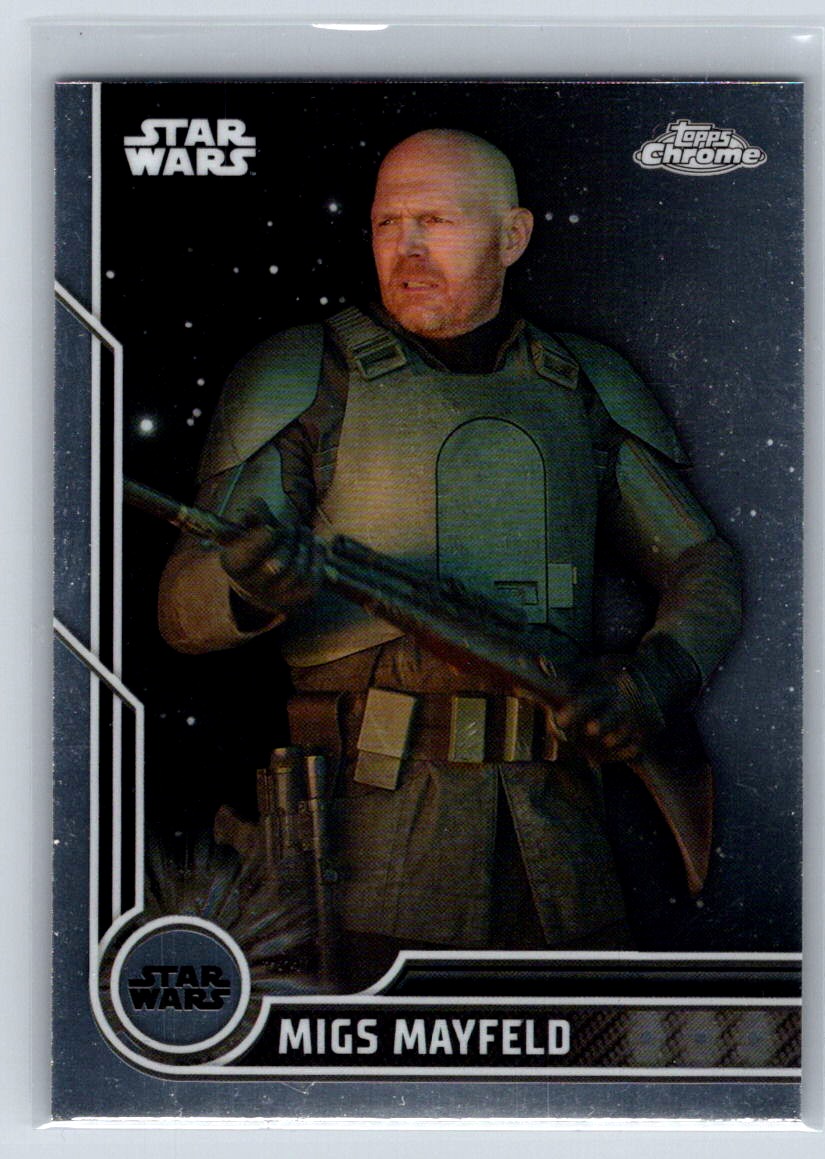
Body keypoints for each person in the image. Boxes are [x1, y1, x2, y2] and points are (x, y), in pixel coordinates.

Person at [158, 129, 742, 982]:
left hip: (559, 848)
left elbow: (702, 565)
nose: (408, 248)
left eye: (437, 220)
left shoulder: (581, 382)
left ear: (513, 236)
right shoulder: (307, 376)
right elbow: (182, 603)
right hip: (368, 851)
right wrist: (248, 587)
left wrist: (652, 681)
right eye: (387, 223)